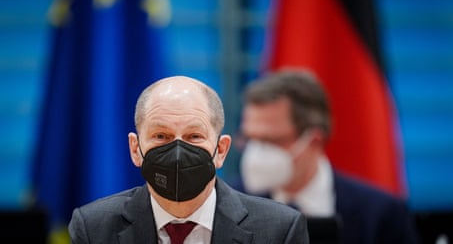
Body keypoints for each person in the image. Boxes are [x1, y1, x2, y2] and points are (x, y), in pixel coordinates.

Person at [68, 75, 309, 243]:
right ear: (135, 149)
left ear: (221, 150)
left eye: (194, 136)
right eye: (161, 136)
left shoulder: (279, 230)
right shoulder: (93, 228)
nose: (177, 152)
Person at [238, 69, 418, 244]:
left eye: (270, 141)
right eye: (249, 138)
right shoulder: (226, 205)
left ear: (314, 140)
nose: (256, 151)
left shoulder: (381, 214)